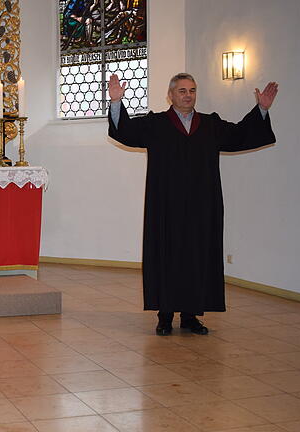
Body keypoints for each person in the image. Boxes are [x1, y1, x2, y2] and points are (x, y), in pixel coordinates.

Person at [107, 73, 278, 336]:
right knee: (167, 256)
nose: (188, 95)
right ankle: (165, 316)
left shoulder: (210, 125)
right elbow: (125, 132)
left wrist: (262, 110)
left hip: (202, 206)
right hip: (166, 207)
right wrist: (117, 103)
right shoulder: (156, 124)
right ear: (171, 95)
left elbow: (241, 135)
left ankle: (190, 316)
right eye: (183, 90)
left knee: (197, 257)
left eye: (193, 90)